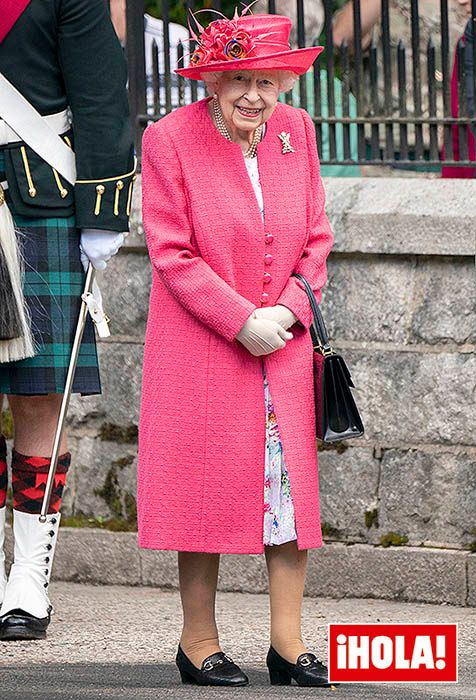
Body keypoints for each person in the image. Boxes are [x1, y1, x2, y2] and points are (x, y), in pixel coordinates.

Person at [138, 9, 334, 688]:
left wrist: (288, 308)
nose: (255, 95)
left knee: (287, 495)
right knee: (205, 490)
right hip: (204, 344)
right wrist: (239, 318)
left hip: (281, 342)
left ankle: (288, 644)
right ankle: (198, 643)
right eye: (239, 79)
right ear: (213, 80)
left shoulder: (296, 132)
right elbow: (172, 251)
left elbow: (316, 237)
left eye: (268, 81)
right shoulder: (169, 139)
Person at [0, 0, 135, 640]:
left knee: (38, 397)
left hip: (35, 199)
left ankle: (27, 575)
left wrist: (102, 212)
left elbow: (102, 93)